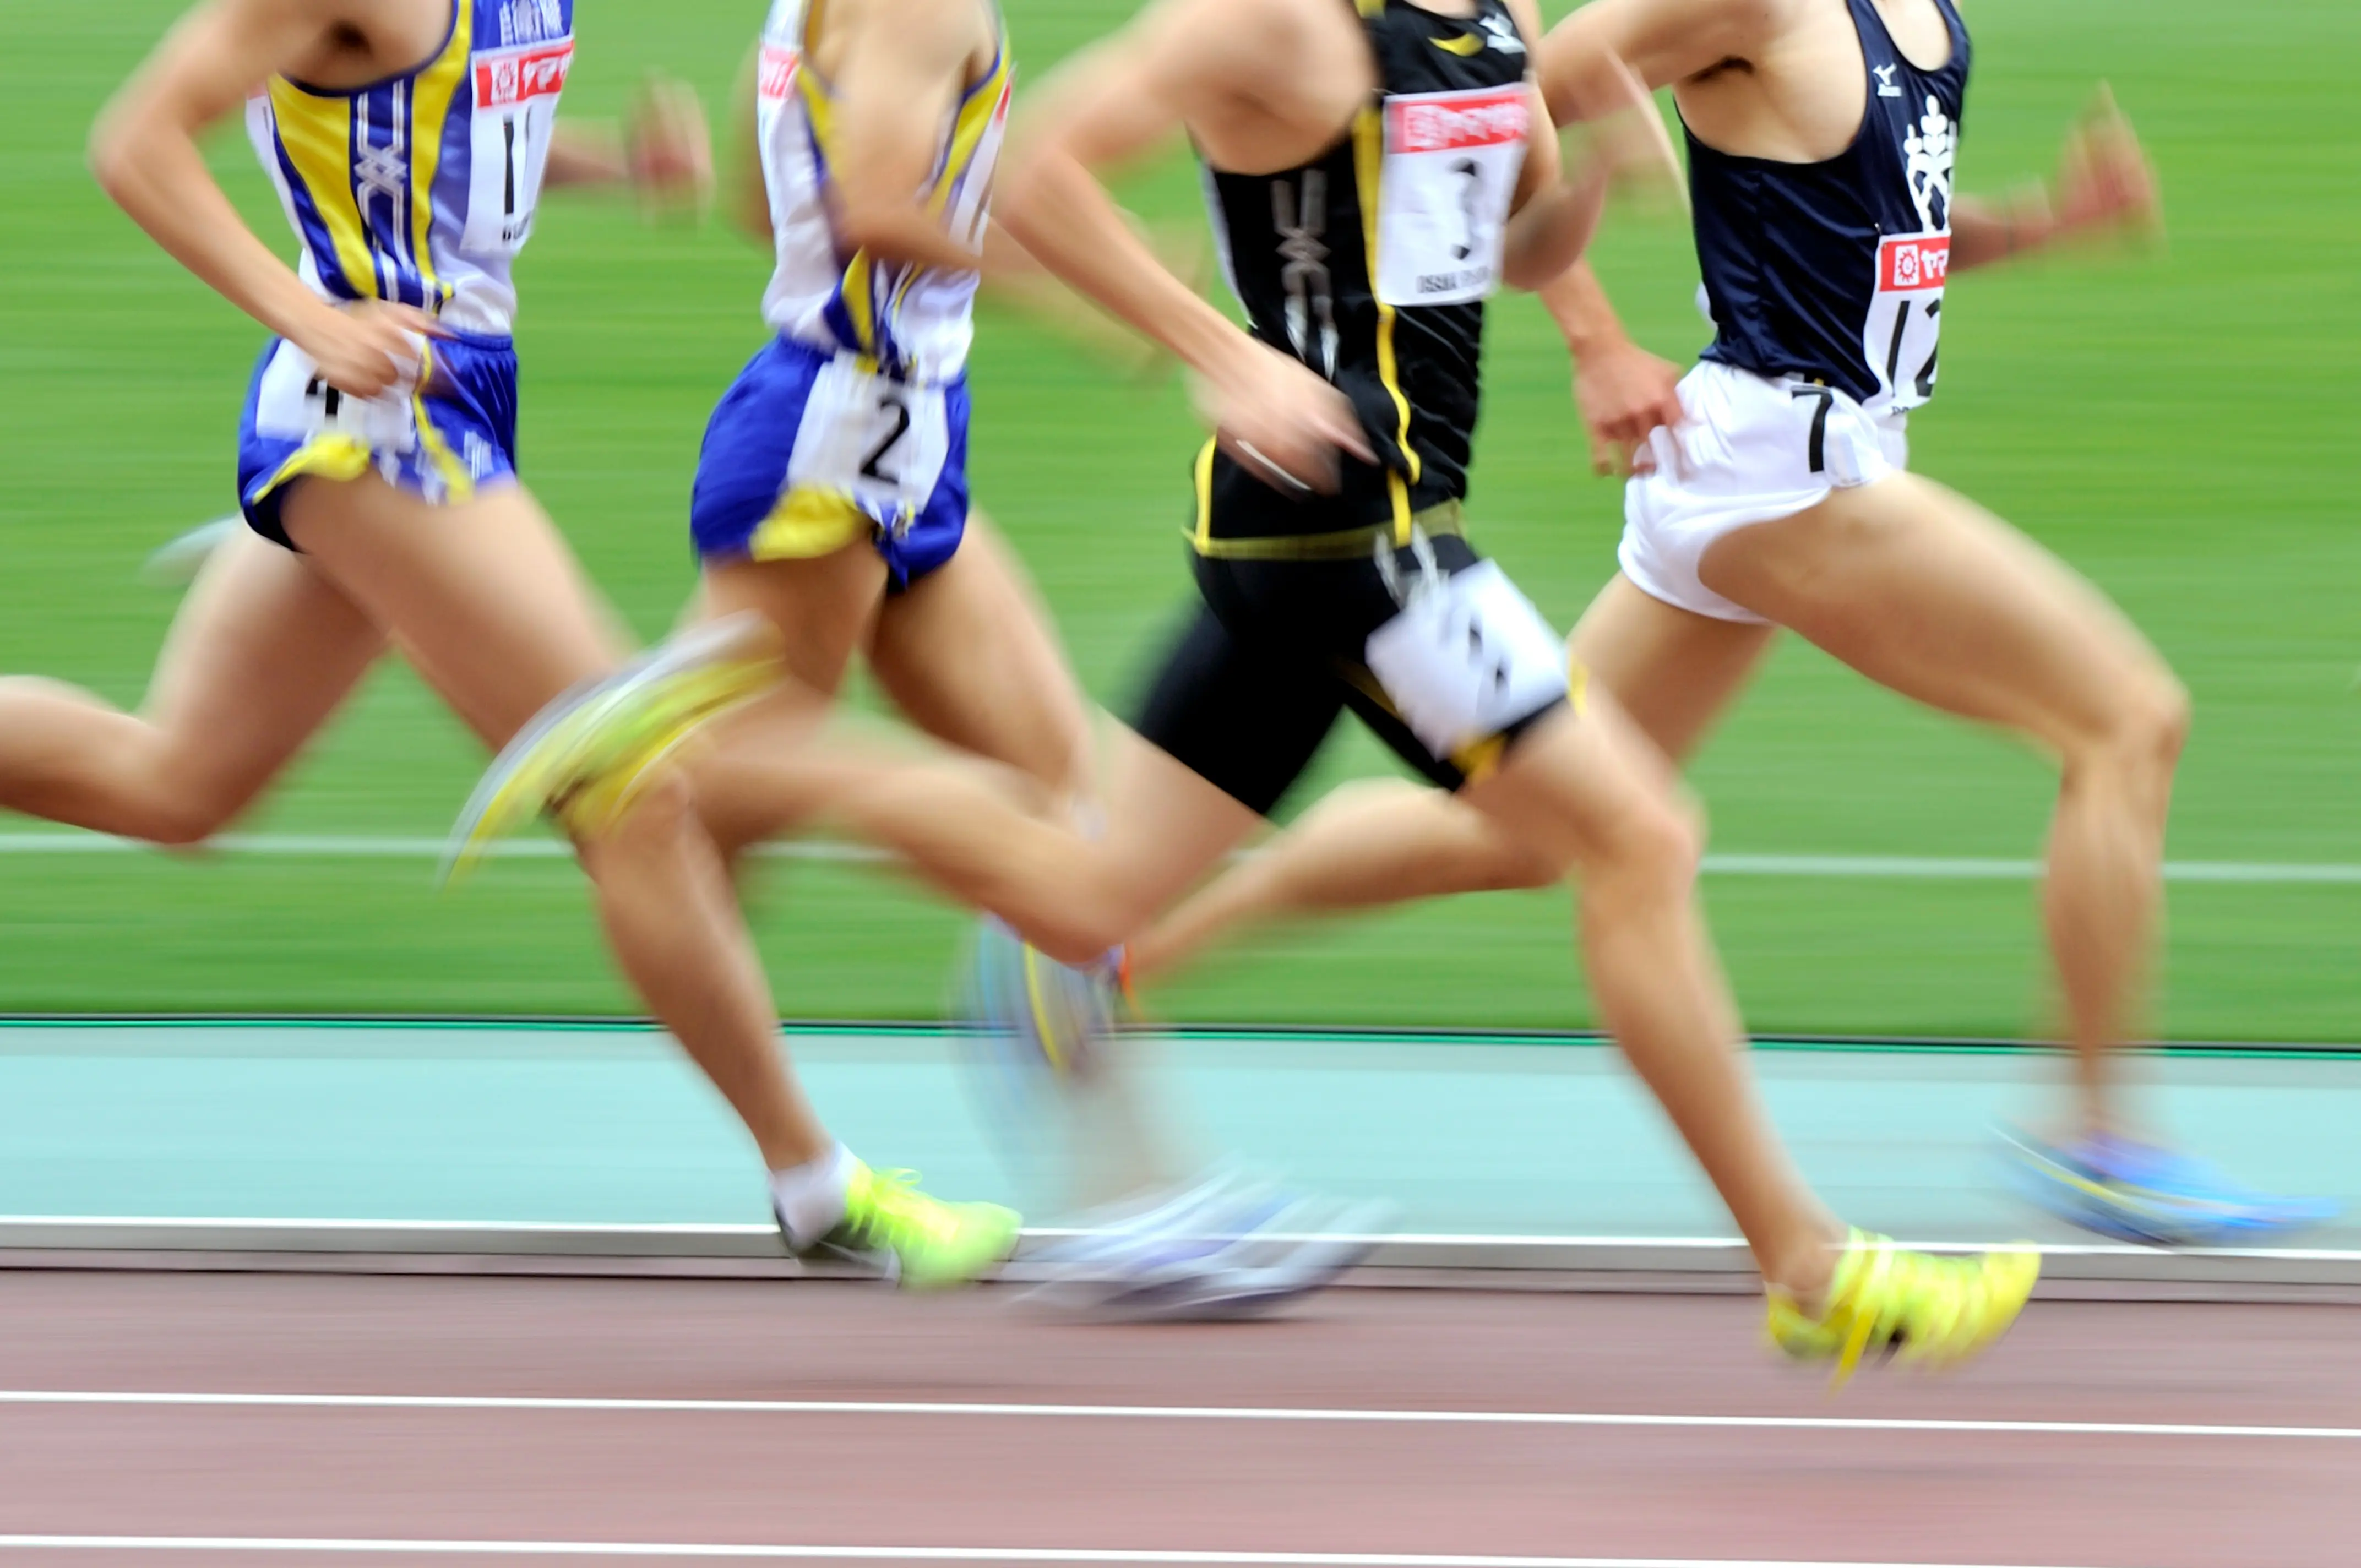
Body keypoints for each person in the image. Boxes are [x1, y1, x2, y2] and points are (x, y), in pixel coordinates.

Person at [482, 0, 2041, 1379]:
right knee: (1638, 837)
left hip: (1325, 537)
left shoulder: (1481, 19)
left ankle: (696, 761)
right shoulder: (1277, 21)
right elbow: (1037, 170)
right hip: (1355, 540)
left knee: (1085, 897)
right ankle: (1810, 1270)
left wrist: (1596, 193)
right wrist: (1215, 351)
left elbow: (1497, 249)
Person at [1109, 0, 2336, 1246]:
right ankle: (2100, 1136)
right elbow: (1508, 102)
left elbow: (1879, 240)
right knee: (2128, 718)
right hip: (1783, 469)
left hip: (1761, 468)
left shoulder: (1919, 20)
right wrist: (1593, 325)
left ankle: (1131, 958)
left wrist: (2041, 222)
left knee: (1517, 832)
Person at [5, 0, 1016, 1285]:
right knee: (633, 787)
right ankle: (817, 1184)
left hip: (451, 394)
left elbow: (450, 134)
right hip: (375, 421)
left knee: (174, 783)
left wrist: (607, 162)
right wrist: (310, 315)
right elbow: (135, 143)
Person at [649, 0, 1384, 1316]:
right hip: (830, 442)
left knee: (1070, 831)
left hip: (905, 429)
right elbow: (873, 209)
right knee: (712, 801)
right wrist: (1083, 273)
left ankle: (1137, 1204)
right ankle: (810, 1163)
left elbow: (778, 209)